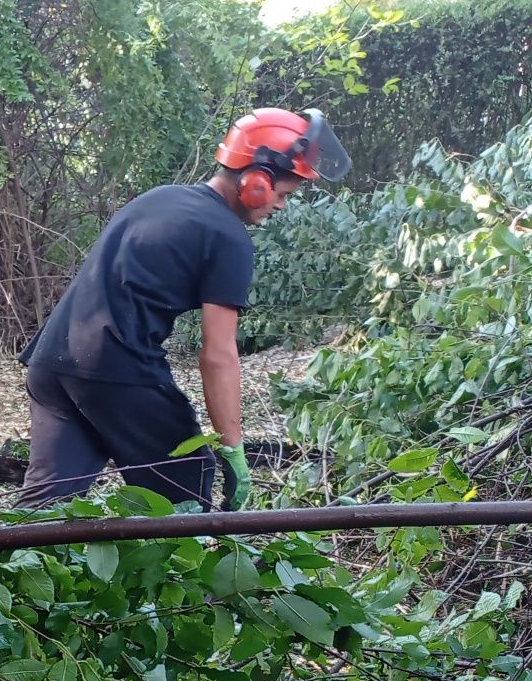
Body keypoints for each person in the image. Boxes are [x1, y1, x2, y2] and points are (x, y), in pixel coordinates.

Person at [18, 107, 350, 510]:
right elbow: (218, 354)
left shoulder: (162, 196)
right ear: (256, 181)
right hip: (114, 369)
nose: (281, 206)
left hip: (51, 363)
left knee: (45, 509)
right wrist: (233, 448)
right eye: (283, 194)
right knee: (185, 492)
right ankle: (177, 570)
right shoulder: (228, 237)